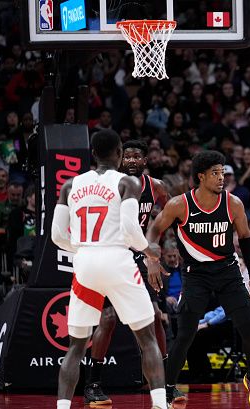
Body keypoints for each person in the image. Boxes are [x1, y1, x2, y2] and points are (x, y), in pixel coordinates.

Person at [51, 130, 166, 409]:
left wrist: (83, 249)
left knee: (76, 346)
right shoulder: (127, 182)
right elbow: (129, 229)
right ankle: (161, 404)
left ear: (92, 154)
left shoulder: (70, 185)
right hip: (117, 258)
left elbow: (56, 235)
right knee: (147, 337)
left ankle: (63, 406)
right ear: (118, 154)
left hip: (85, 262)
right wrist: (149, 250)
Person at [146, 150, 250, 408]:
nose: (221, 177)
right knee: (186, 335)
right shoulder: (180, 204)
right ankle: (168, 389)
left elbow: (245, 237)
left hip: (228, 272)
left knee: (249, 327)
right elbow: (153, 231)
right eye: (215, 173)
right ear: (201, 176)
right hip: (195, 275)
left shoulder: (233, 203)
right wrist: (152, 260)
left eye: (222, 172)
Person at [84, 140, 169, 406]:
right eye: (127, 156)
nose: (131, 161)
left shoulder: (156, 187)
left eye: (137, 157)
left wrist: (154, 248)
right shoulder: (111, 184)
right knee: (108, 318)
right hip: (114, 253)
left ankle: (165, 383)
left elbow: (168, 214)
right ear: (121, 160)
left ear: (145, 160)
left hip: (141, 255)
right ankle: (93, 384)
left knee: (155, 316)